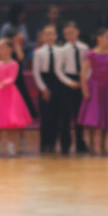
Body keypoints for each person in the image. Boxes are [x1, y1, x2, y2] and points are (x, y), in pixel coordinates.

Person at [77, 28, 108, 156]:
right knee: (92, 117)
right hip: (94, 87)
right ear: (99, 38)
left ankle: (103, 145)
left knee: (106, 116)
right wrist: (84, 89)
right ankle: (91, 144)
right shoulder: (91, 54)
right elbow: (83, 73)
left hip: (106, 87)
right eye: (107, 37)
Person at [32, 25, 65, 154]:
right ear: (43, 37)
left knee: (57, 116)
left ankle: (53, 143)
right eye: (47, 34)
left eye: (52, 34)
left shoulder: (60, 51)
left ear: (56, 36)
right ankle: (44, 143)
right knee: (46, 116)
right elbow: (36, 72)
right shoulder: (38, 52)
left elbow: (61, 70)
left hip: (58, 82)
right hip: (45, 82)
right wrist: (43, 89)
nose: (50, 37)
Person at [59, 22, 88, 154]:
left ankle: (80, 143)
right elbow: (58, 70)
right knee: (65, 115)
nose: (70, 35)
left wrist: (84, 81)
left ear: (77, 32)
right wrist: (69, 82)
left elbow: (88, 66)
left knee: (80, 114)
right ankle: (65, 144)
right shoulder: (62, 49)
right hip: (67, 82)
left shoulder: (84, 48)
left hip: (81, 79)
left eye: (72, 32)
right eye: (67, 33)